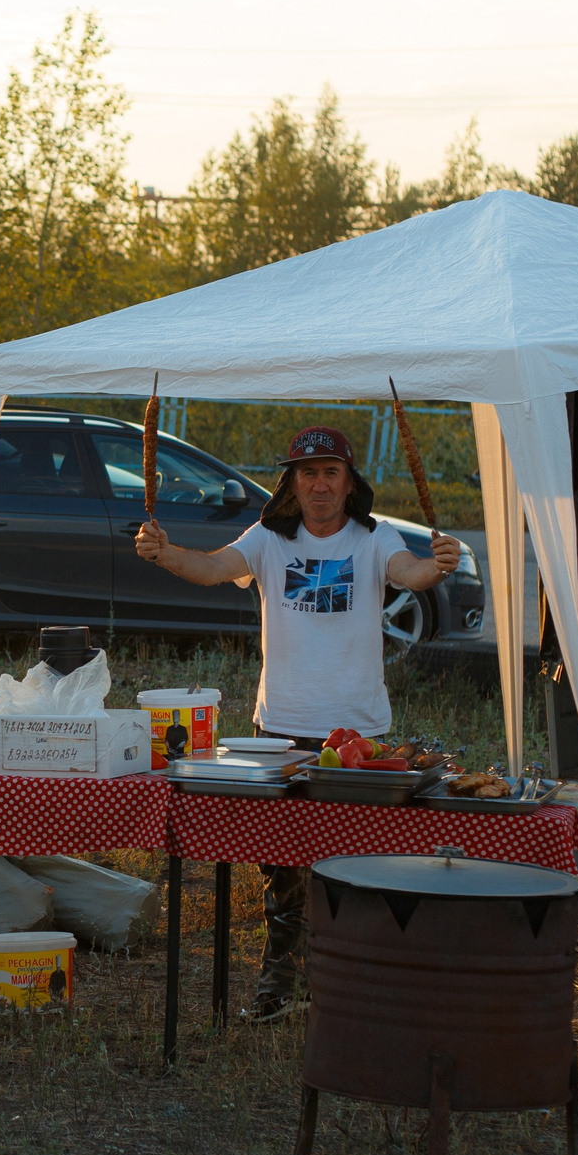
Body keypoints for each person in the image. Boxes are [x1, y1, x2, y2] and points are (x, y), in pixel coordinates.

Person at [135, 424, 465, 1021]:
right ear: (291, 482)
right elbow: (211, 568)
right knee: (283, 869)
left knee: (352, 866)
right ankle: (279, 987)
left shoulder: (374, 538)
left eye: (330, 473)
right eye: (307, 473)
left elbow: (411, 573)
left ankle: (345, 987)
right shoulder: (268, 539)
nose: (319, 485)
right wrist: (163, 553)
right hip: (281, 731)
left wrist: (438, 566)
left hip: (359, 735)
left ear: (348, 482)